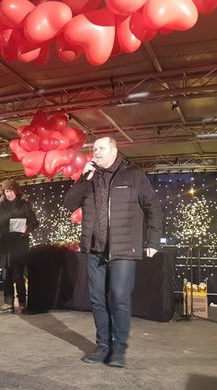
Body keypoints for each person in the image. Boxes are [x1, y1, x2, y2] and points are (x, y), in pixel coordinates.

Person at [65, 136, 162, 367]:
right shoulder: (90, 177)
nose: (96, 152)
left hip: (124, 248)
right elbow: (69, 204)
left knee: (119, 297)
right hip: (95, 249)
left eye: (101, 148)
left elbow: (153, 207)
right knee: (97, 299)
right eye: (94, 148)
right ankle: (103, 346)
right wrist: (83, 179)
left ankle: (119, 349)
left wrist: (152, 241)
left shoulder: (133, 175)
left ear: (114, 151)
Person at [0, 180, 39, 314]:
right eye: (7, 191)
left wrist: (27, 228)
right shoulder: (1, 207)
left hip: (19, 244)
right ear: (3, 193)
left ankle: (22, 303)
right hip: (6, 245)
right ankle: (8, 303)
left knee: (18, 276)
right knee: (6, 275)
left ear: (16, 191)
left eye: (11, 190)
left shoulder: (25, 204)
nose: (9, 193)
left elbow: (35, 222)